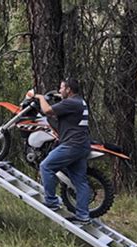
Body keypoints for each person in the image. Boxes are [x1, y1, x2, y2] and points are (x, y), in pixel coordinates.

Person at [33, 78, 91, 225]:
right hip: (82, 144)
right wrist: (56, 99)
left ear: (69, 90)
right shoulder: (79, 102)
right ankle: (83, 216)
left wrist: (39, 97)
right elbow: (57, 111)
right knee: (80, 182)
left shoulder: (71, 103)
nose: (59, 90)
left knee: (46, 166)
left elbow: (47, 111)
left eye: (61, 88)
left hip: (72, 145)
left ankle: (51, 201)